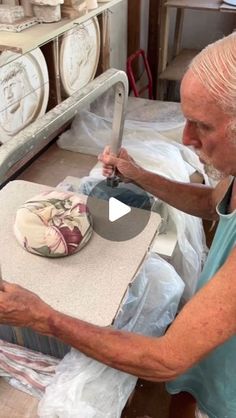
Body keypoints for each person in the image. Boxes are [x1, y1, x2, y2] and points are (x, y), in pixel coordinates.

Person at [0, 33, 235, 418]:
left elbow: (165, 360)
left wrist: (41, 316)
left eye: (202, 126)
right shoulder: (233, 171)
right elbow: (213, 203)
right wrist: (138, 174)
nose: (186, 138)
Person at [0, 61, 38, 136]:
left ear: (23, 84)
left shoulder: (30, 105)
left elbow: (32, 102)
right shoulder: (10, 120)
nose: (8, 95)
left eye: (12, 85)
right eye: (5, 89)